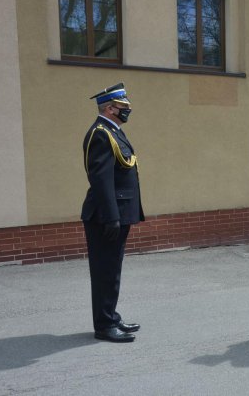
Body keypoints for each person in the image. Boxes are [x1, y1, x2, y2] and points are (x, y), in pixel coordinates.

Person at [82, 83, 144, 343]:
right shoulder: (100, 134)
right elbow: (101, 179)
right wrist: (111, 216)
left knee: (112, 269)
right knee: (105, 270)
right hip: (107, 216)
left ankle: (111, 316)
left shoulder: (113, 131)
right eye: (123, 107)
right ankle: (104, 326)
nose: (127, 111)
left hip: (118, 212)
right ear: (109, 108)